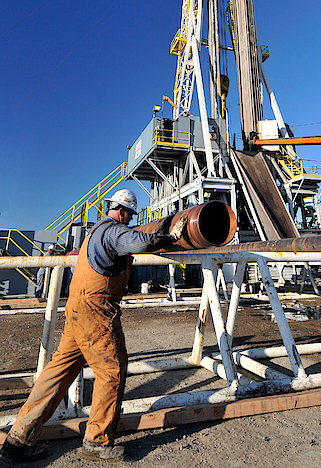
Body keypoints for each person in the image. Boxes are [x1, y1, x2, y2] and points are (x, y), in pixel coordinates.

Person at [1, 189, 185, 463]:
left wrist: (160, 226)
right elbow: (137, 243)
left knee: (57, 375)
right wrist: (168, 237)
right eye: (130, 215)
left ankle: (17, 441)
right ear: (123, 212)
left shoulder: (94, 231)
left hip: (76, 310)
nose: (129, 220)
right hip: (96, 312)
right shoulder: (114, 232)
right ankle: (97, 442)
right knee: (112, 370)